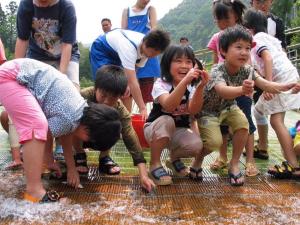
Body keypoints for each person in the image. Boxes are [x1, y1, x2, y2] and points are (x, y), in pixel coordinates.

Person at [189, 25, 300, 186]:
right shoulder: (216, 71)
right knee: (214, 142)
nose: (244, 52)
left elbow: (266, 84)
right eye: (238, 47)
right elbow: (222, 90)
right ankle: (197, 160)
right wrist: (242, 89)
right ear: (224, 51)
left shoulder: (247, 69)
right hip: (209, 111)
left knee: (243, 125)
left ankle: (234, 164)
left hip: (229, 107)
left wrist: (287, 86)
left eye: (248, 48)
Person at [0, 58, 121, 203]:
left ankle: (34, 184)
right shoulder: (70, 119)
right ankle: (34, 191)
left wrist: (59, 163)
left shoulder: (79, 111)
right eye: (88, 140)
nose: (84, 141)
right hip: (13, 77)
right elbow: (42, 134)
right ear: (89, 131)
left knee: (39, 127)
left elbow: (64, 136)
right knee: (36, 125)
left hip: (19, 74)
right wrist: (47, 157)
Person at [15, 0, 81, 161]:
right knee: (30, 98)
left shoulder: (66, 7)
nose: (41, 4)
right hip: (37, 56)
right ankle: (32, 142)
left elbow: (67, 44)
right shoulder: (26, 5)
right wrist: (17, 70)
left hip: (66, 55)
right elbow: (22, 39)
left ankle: (61, 144)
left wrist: (61, 77)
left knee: (69, 96)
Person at [74, 65, 155, 192]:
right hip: (80, 137)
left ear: (120, 96)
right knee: (74, 122)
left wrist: (143, 175)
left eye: (112, 98)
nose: (106, 101)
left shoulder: (120, 109)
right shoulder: (81, 97)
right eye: (103, 95)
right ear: (96, 88)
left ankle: (104, 157)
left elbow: (130, 136)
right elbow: (65, 125)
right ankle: (79, 155)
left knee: (115, 126)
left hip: (100, 139)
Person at [243, 9, 300, 179]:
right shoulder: (271, 39)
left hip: (280, 80)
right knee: (258, 109)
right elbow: (281, 55)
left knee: (276, 120)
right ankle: (264, 147)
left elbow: (267, 58)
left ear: (249, 28)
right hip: (290, 75)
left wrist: (268, 86)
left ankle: (293, 165)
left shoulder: (256, 39)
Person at [144, 45, 210, 186]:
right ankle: (155, 164)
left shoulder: (192, 87)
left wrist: (200, 87)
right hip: (155, 130)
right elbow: (168, 105)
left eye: (188, 62)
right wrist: (185, 81)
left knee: (195, 145)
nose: (184, 66)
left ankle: (173, 160)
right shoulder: (160, 84)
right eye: (178, 61)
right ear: (168, 64)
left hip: (177, 132)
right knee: (166, 120)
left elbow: (193, 110)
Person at [207, 0, 259, 176]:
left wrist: (250, 84)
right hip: (223, 88)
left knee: (246, 124)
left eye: (225, 17)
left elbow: (249, 61)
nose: (221, 22)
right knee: (222, 123)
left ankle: (250, 160)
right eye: (217, 18)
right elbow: (215, 63)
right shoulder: (217, 37)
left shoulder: (244, 34)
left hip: (242, 87)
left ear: (235, 16)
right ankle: (222, 157)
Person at [90, 28, 170, 119]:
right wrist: (142, 108)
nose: (153, 56)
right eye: (152, 52)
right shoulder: (129, 48)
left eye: (156, 54)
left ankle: (126, 120)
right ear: (144, 43)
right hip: (102, 50)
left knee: (125, 90)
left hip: (117, 53)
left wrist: (126, 84)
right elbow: (133, 82)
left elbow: (134, 71)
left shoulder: (147, 51)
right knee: (107, 85)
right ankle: (100, 117)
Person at [250, 0, 287, 160]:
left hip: (274, 74)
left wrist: (270, 80)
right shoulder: (248, 23)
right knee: (259, 106)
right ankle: (263, 146)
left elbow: (282, 46)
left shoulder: (276, 22)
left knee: (275, 116)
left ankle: (289, 158)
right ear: (252, 2)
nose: (263, 4)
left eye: (266, 1)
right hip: (258, 72)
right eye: (259, 1)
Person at [121, 0, 161, 106]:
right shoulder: (127, 11)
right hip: (131, 52)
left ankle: (146, 117)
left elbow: (154, 30)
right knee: (128, 86)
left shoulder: (150, 10)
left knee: (147, 88)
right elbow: (123, 32)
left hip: (148, 51)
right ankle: (129, 118)